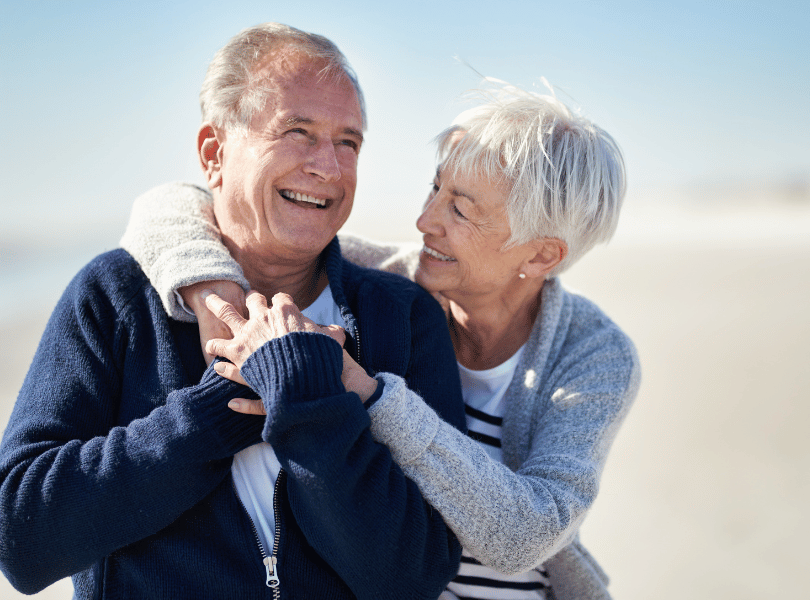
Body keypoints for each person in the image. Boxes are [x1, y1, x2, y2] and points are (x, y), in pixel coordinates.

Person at [120, 81, 641, 600]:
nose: (424, 222)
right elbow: (170, 206)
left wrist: (374, 394)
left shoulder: (594, 354)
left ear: (541, 257)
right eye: (435, 188)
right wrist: (210, 285)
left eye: (460, 210)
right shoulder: (389, 283)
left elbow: (527, 536)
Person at [0, 23, 466, 599]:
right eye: (298, 132)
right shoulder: (115, 294)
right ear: (214, 154)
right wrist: (216, 412)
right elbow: (20, 541)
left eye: (349, 142)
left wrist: (308, 402)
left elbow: (415, 575)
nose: (330, 166)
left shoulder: (402, 315)